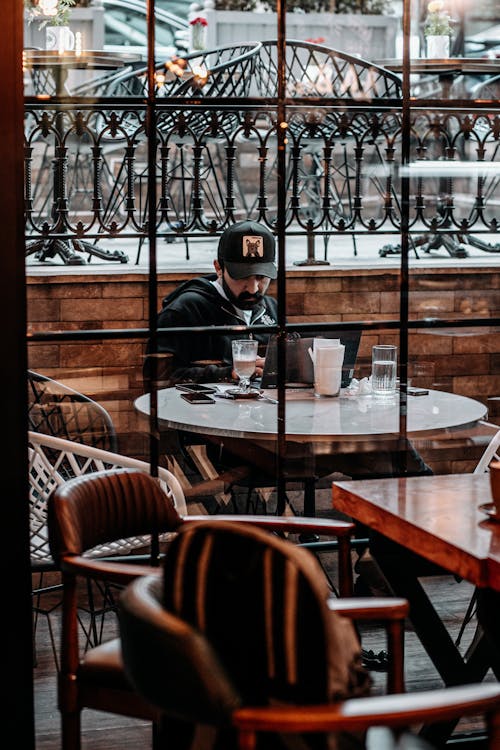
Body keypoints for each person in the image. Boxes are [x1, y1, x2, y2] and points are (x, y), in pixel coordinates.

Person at [144, 220, 278, 389]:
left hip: (264, 412)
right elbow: (156, 378)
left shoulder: (272, 309)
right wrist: (226, 374)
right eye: (242, 277)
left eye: (261, 277)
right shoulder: (184, 311)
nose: (252, 289)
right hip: (197, 414)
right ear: (218, 268)